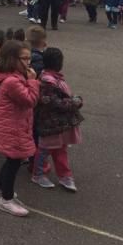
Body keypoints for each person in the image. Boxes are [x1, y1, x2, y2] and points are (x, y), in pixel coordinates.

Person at [0, 40, 39, 217]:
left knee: (13, 159)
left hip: (12, 124)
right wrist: (33, 82)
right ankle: (6, 199)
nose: (28, 62)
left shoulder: (9, 75)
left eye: (28, 58)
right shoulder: (11, 80)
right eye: (24, 58)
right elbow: (29, 100)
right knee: (14, 161)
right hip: (13, 126)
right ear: (12, 59)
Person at [32, 47, 83, 192]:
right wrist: (76, 102)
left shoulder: (51, 78)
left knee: (60, 147)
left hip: (57, 123)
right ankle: (38, 174)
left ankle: (65, 175)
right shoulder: (48, 82)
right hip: (50, 122)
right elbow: (55, 103)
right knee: (45, 149)